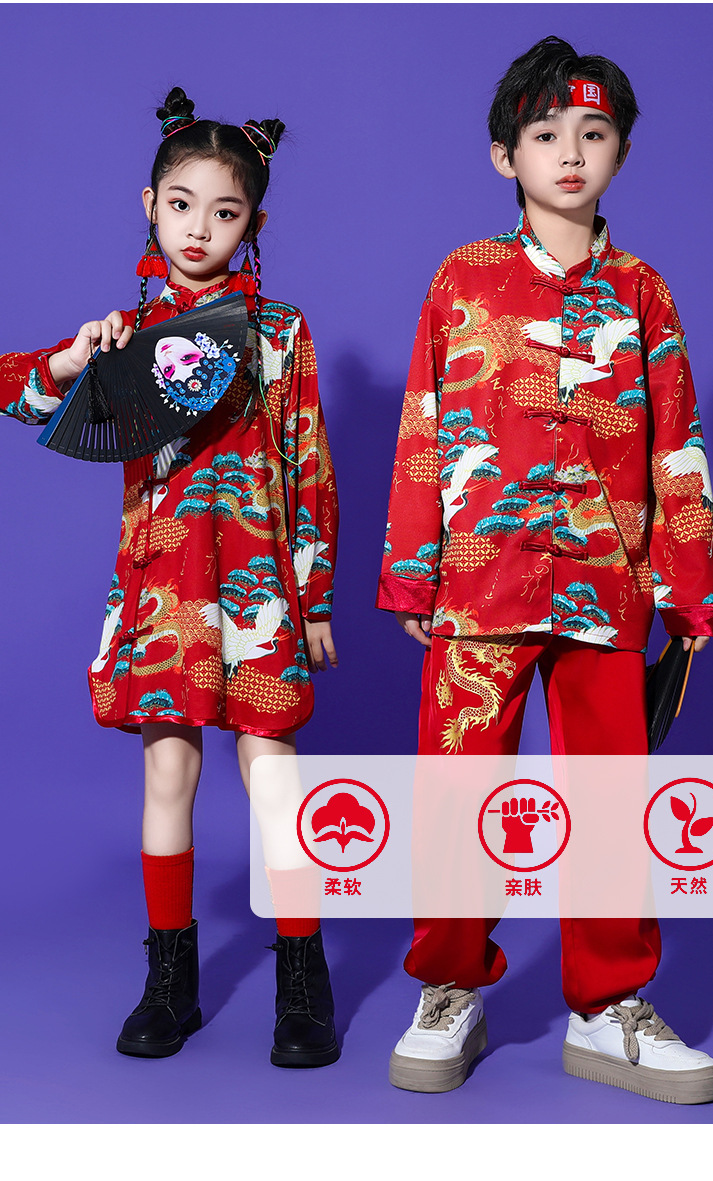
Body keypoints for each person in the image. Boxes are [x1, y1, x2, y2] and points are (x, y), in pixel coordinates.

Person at [376, 37, 713, 1103]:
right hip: (479, 584)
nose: (569, 153)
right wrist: (412, 571)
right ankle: (448, 986)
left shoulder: (642, 293)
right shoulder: (462, 280)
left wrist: (691, 591)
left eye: (593, 132)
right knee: (459, 792)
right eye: (544, 134)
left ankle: (608, 1001)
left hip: (608, 586)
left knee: (610, 797)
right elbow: (424, 424)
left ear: (621, 149)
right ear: (506, 156)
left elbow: (676, 446)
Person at [0, 87, 340, 1068]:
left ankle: (302, 977)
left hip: (260, 583)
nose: (200, 228)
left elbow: (309, 467)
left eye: (225, 212)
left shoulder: (279, 331)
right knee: (168, 769)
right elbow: (23, 397)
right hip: (160, 582)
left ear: (254, 224)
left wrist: (313, 598)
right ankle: (170, 979)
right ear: (148, 204)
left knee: (274, 773)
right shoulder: (125, 333)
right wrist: (73, 355)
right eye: (182, 204)